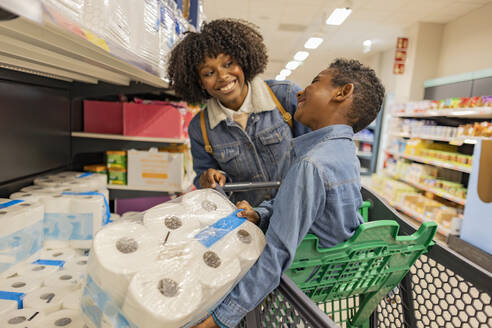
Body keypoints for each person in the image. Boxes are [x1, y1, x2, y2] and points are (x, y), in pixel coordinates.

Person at [192, 58, 386, 328]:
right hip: (329, 284)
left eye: (316, 81)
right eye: (208, 73)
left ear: (342, 92)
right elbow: (311, 209)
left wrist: (219, 319)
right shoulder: (343, 151)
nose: (300, 91)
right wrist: (260, 215)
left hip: (302, 292)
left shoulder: (311, 164)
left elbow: (277, 252)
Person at [167, 18, 310, 206]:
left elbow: (315, 154)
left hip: (297, 215)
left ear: (243, 61)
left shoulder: (285, 96)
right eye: (209, 73)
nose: (223, 76)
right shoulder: (200, 128)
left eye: (228, 64)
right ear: (199, 82)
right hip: (246, 224)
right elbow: (205, 183)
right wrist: (208, 179)